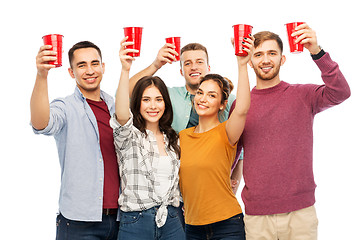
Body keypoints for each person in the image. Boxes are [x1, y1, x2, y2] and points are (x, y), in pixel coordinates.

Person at [230, 24, 351, 240]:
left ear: (282, 59)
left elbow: (341, 92)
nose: (265, 60)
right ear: (250, 61)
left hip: (300, 213)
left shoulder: (303, 95)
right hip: (257, 217)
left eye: (272, 53)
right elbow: (229, 155)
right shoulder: (241, 105)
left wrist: (316, 51)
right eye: (258, 54)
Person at [30, 41, 120, 239]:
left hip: (121, 219)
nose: (90, 70)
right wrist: (42, 75)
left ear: (103, 67)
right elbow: (41, 123)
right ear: (72, 72)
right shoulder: (65, 106)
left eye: (94, 63)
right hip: (79, 222)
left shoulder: (115, 106)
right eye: (82, 65)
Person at [178, 36, 254, 240]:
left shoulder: (226, 132)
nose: (203, 99)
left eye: (212, 95)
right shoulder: (182, 137)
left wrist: (242, 64)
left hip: (227, 224)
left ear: (222, 104)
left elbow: (243, 108)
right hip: (192, 227)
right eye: (200, 93)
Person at [110, 37, 185, 240]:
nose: (153, 106)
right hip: (136, 222)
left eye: (158, 99)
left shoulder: (173, 139)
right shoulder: (129, 135)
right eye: (146, 100)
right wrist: (125, 69)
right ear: (138, 103)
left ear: (165, 104)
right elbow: (122, 111)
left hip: (172, 220)